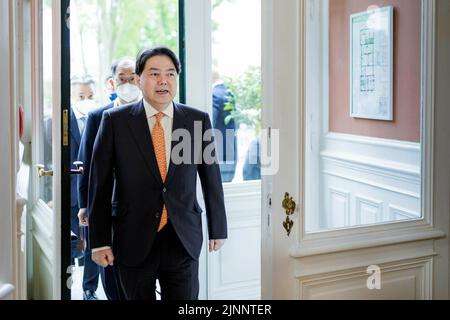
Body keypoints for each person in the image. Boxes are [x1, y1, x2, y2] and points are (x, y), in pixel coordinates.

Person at [88, 46, 228, 300]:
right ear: (139, 80)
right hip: (132, 238)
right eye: (154, 73)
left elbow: (211, 178)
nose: (163, 80)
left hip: (182, 237)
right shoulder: (115, 121)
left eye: (170, 74)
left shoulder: (197, 120)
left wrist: (218, 227)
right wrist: (99, 241)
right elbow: (100, 185)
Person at [77, 57, 140, 300]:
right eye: (122, 79)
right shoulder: (98, 117)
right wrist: (85, 204)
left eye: (132, 77)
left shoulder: (152, 113)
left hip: (142, 209)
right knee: (112, 274)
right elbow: (87, 165)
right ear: (113, 83)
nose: (128, 83)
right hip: (109, 207)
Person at [70, 75, 97, 264]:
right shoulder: (57, 122)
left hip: (92, 191)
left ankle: (89, 288)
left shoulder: (100, 119)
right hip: (69, 192)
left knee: (93, 241)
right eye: (81, 96)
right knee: (73, 245)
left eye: (90, 96)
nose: (86, 101)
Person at [212, 70, 237, 183]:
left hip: (219, 152)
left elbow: (209, 125)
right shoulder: (230, 93)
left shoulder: (215, 94)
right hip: (231, 152)